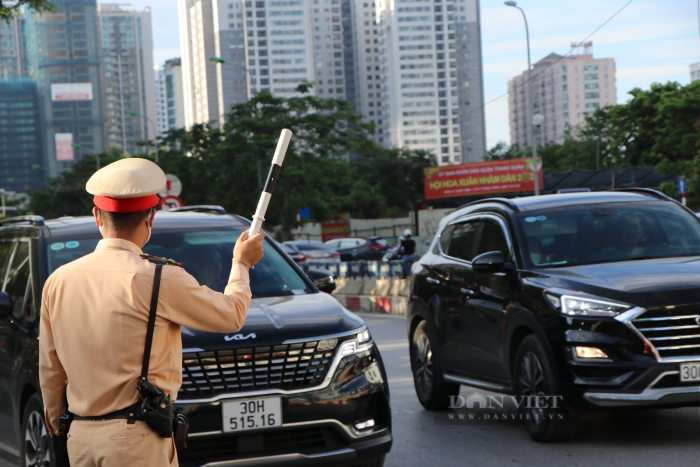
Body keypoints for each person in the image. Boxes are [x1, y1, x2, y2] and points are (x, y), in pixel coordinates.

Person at [39, 158, 265, 466]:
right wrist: (242, 263)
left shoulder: (58, 280)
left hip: (79, 438)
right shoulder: (159, 278)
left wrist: (55, 419)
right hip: (135, 439)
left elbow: (51, 367)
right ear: (151, 217)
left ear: (96, 216)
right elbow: (231, 315)